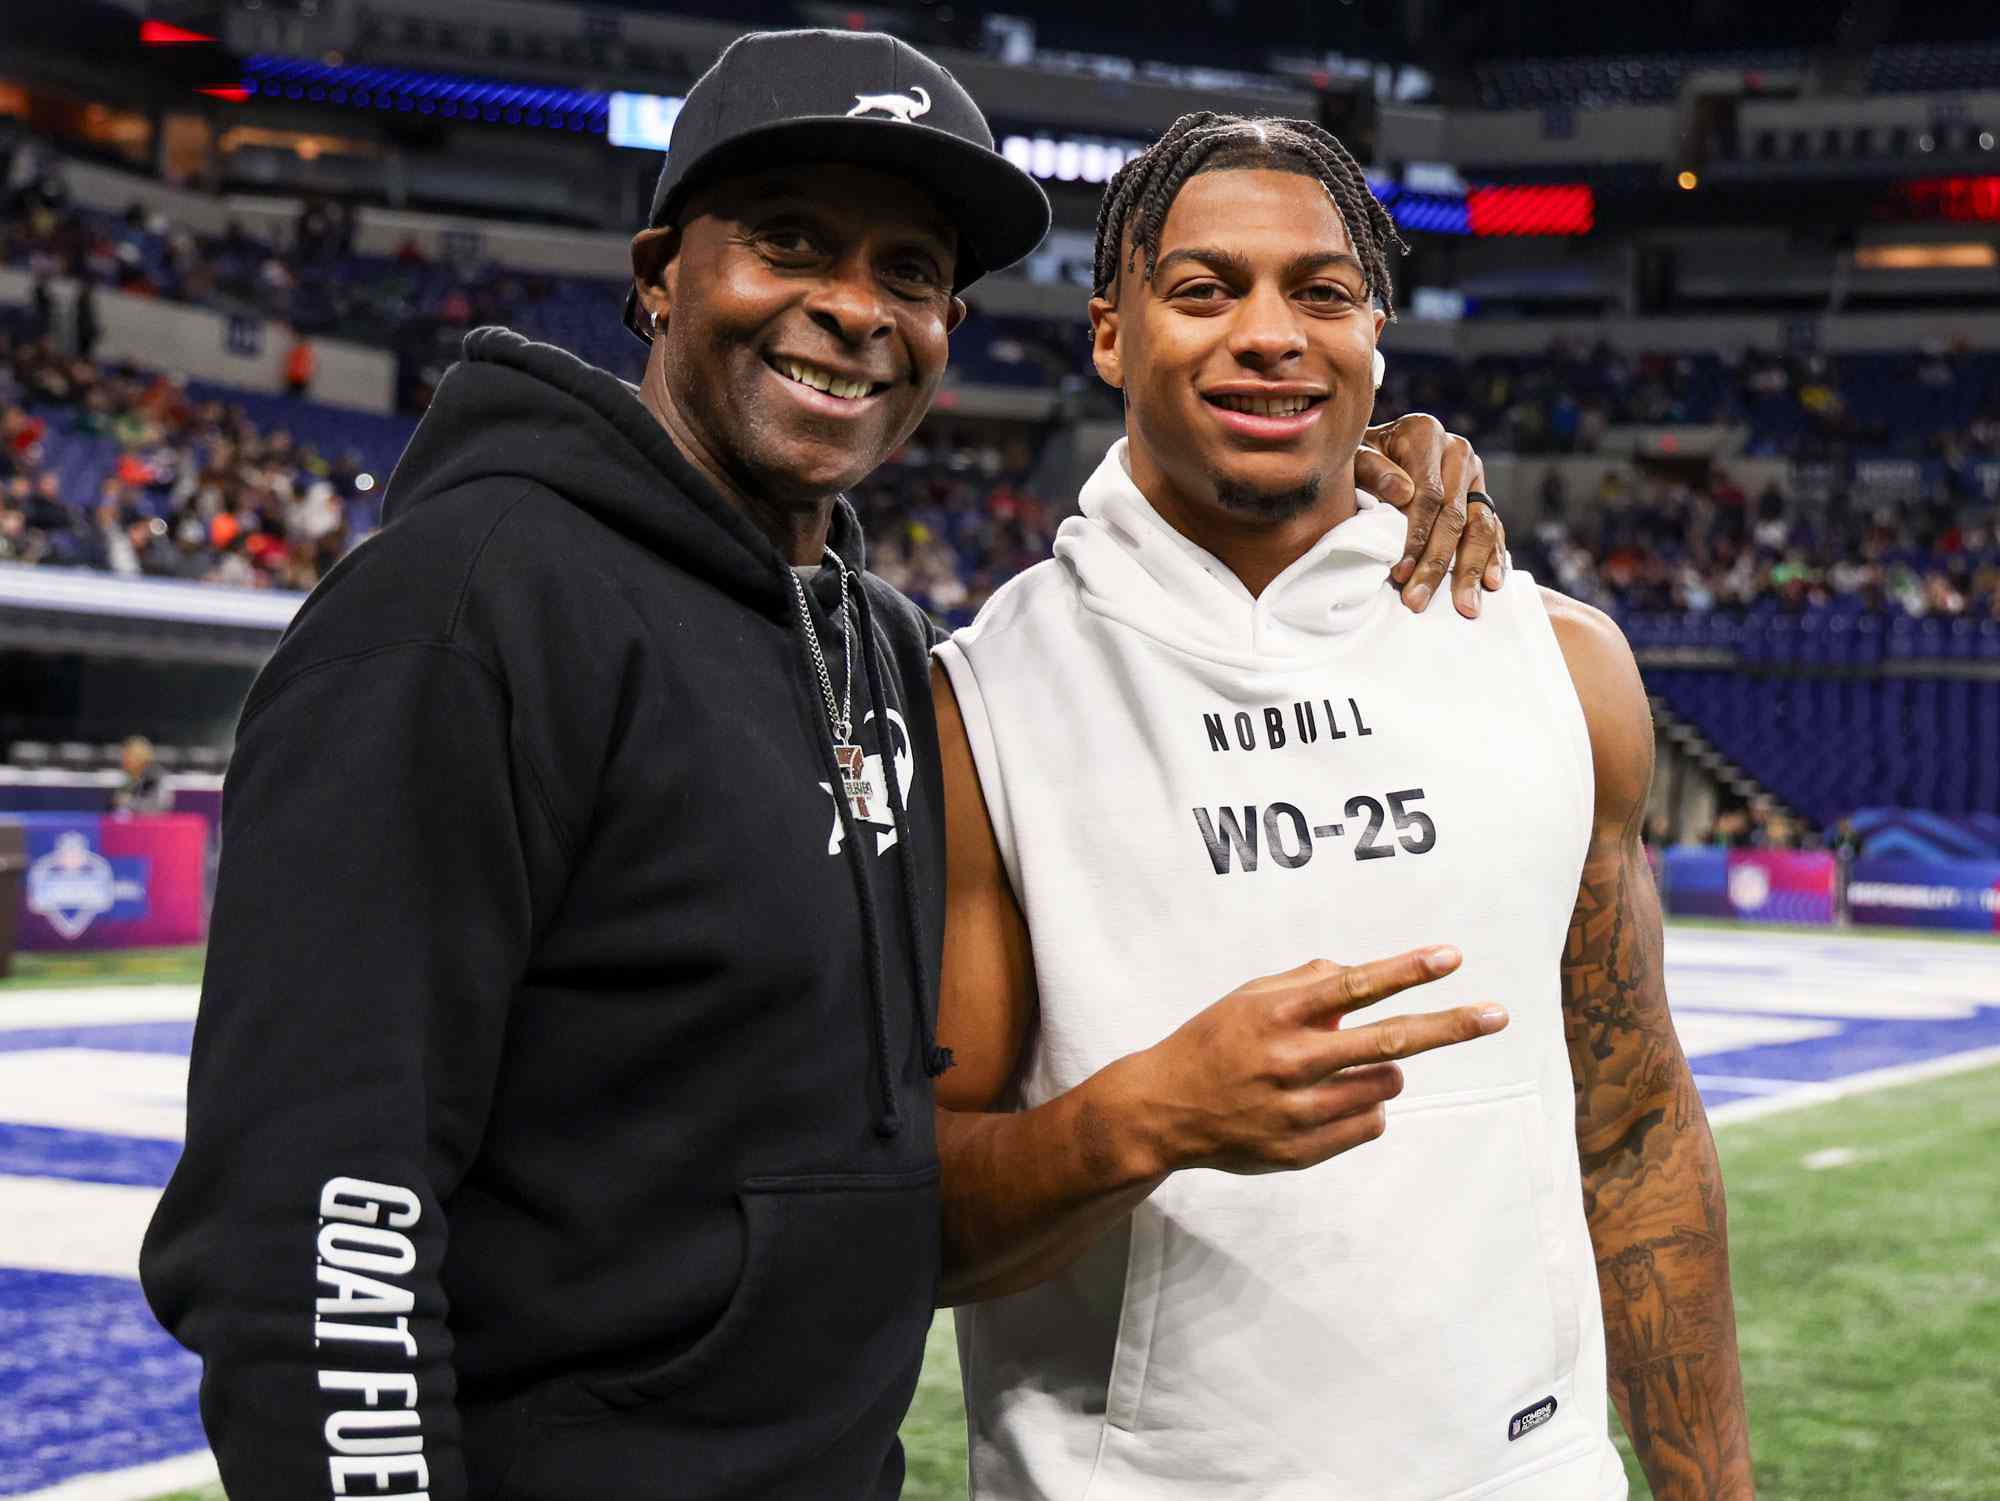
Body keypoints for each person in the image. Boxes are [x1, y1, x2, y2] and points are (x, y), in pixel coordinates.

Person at [140, 35, 1504, 1501]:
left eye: (910, 270)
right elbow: (314, 1226)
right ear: (662, 271)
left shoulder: (887, 652)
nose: (854, 308)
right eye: (791, 242)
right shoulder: (464, 611)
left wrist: (1352, 474)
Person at [931, 114, 1752, 1500]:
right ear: (1110, 333)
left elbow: (1635, 1131)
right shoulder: (979, 703)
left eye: (1319, 290)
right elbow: (917, 1224)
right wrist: (1147, 1118)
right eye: (1204, 289)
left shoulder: (1559, 659)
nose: (1270, 331)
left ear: (1378, 334)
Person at [111, 734, 173, 813]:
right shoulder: (129, 779)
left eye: (128, 756)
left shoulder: (155, 776)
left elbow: (157, 807)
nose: (123, 760)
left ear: (140, 757)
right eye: (124, 756)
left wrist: (128, 802)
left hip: (156, 824)